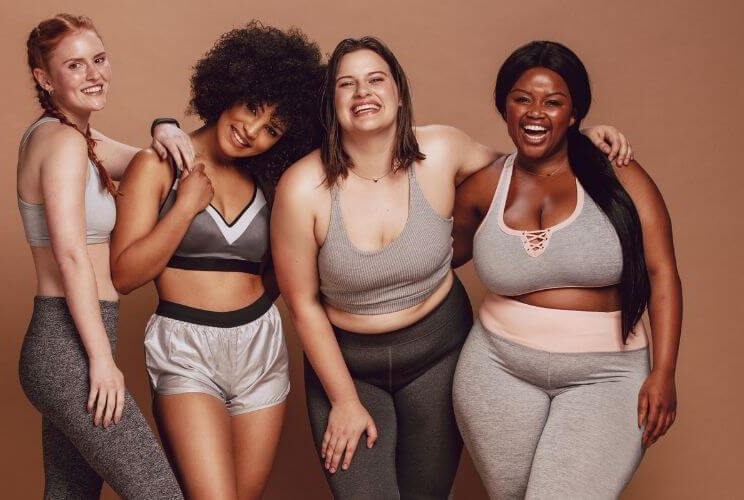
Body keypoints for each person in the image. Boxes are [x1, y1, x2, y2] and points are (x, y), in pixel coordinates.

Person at [270, 36, 631, 500]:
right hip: (346, 367)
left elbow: (523, 169)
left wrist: (581, 141)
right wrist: (342, 400)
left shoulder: (441, 149)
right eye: (347, 84)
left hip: (439, 356)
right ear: (331, 102)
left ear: (398, 92)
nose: (363, 92)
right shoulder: (301, 187)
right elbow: (301, 303)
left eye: (376, 79)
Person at [451, 41, 681, 499]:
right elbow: (433, 261)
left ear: (574, 113)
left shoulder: (619, 174)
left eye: (553, 102)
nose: (535, 112)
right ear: (504, 106)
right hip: (496, 370)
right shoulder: (484, 186)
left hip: (607, 375)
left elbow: (663, 274)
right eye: (522, 99)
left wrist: (665, 371)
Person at [109, 22, 324, 500]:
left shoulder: (271, 183)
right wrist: (185, 206)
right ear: (228, 88)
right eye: (251, 107)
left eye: (272, 128)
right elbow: (124, 274)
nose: (251, 131)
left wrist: (251, 306)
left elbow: (282, 271)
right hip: (186, 352)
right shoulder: (157, 165)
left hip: (260, 350)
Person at [17, 13, 190, 499]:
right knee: (159, 493)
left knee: (69, 495)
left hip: (74, 338)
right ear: (44, 78)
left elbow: (149, 163)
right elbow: (71, 256)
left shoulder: (73, 138)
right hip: (67, 345)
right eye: (75, 66)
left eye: (99, 59)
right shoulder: (63, 144)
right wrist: (99, 359)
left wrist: (165, 124)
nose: (94, 74)